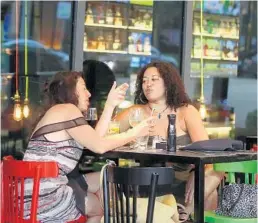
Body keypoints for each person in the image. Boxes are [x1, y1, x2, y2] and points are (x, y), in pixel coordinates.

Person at [23, 71, 155, 223]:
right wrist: (135, 133)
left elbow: (95, 139)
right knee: (99, 208)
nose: (89, 94)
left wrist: (110, 105)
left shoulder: (60, 111)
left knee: (105, 177)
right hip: (45, 198)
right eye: (84, 88)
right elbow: (99, 146)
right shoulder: (67, 110)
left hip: (34, 192)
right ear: (71, 91)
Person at [114, 61, 224, 222]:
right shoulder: (135, 112)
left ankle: (183, 212)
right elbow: (107, 134)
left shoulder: (186, 111)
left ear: (168, 83)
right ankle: (179, 216)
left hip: (183, 183)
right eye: (144, 80)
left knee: (215, 172)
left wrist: (197, 173)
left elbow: (207, 151)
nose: (148, 84)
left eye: (154, 79)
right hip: (149, 182)